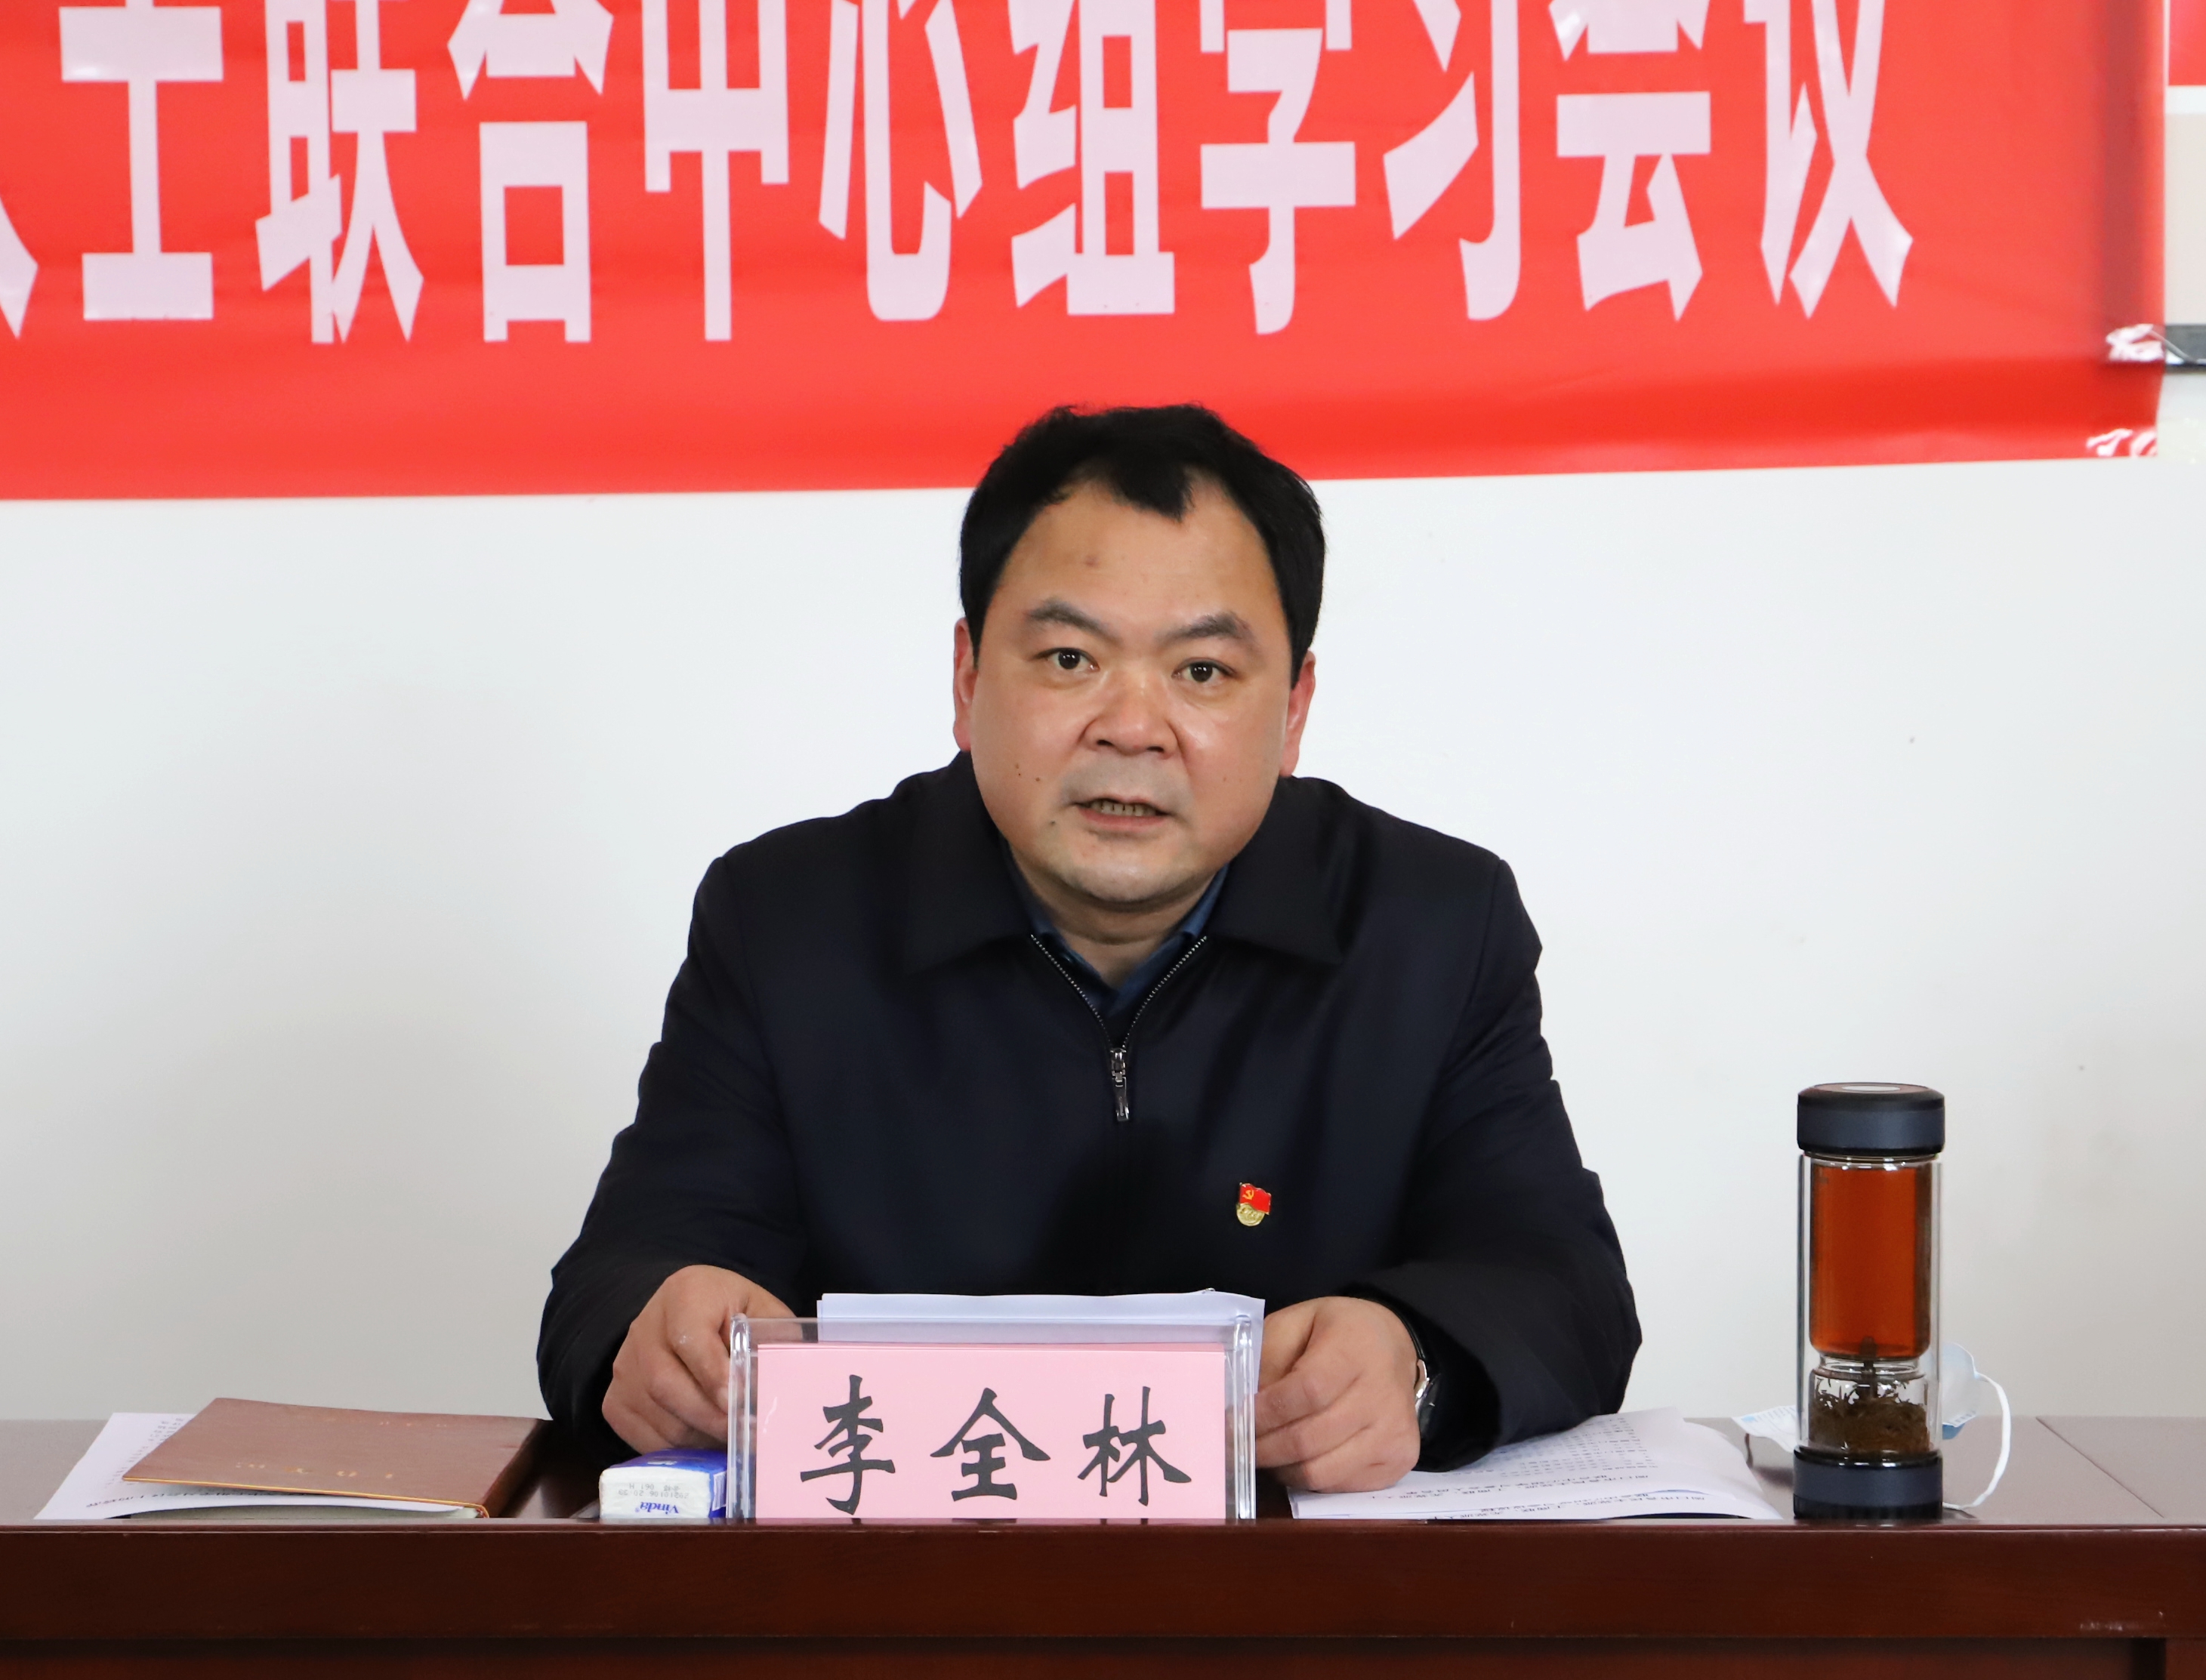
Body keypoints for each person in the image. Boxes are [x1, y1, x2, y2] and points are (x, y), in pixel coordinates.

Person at [538, 405, 1637, 1492]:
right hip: (899, 1582)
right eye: (1070, 658)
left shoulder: (1430, 925)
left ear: (1295, 708)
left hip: (1283, 1594)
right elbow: (627, 1268)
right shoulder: (788, 919)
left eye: (1202, 672)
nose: (1132, 726)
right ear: (969, 678)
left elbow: (1561, 1283)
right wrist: (661, 1329)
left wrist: (1415, 1362)